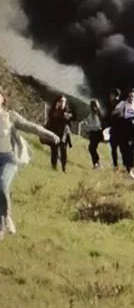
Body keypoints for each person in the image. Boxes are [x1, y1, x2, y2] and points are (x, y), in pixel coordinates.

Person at [0, 87, 60, 239]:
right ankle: (1, 227)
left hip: (9, 158)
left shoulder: (10, 116)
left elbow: (31, 127)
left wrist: (49, 134)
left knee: (2, 185)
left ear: (2, 99)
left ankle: (7, 217)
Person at [113, 88, 134, 180]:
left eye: (133, 96)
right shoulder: (123, 104)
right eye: (129, 96)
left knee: (131, 150)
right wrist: (119, 113)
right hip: (123, 127)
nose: (131, 98)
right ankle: (127, 168)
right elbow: (114, 111)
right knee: (123, 149)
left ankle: (130, 170)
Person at [45, 95, 76, 172]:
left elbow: (74, 117)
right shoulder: (54, 110)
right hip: (54, 132)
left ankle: (63, 168)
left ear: (65, 103)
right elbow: (50, 117)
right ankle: (54, 167)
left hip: (64, 134)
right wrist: (58, 114)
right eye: (61, 101)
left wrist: (70, 116)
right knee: (54, 150)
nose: (62, 103)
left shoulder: (67, 111)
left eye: (63, 101)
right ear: (58, 101)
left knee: (63, 151)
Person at [103, 88, 123, 171]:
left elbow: (112, 116)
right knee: (114, 148)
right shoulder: (111, 104)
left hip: (118, 128)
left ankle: (117, 165)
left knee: (117, 148)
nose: (110, 96)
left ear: (116, 96)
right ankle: (116, 165)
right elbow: (108, 117)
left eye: (111, 95)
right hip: (114, 129)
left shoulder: (120, 105)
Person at [81, 99, 104, 169]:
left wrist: (88, 127)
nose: (94, 108)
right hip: (92, 133)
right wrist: (84, 122)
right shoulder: (91, 114)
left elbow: (97, 126)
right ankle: (96, 163)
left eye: (95, 106)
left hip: (97, 133)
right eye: (92, 106)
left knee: (92, 148)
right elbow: (87, 120)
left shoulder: (99, 115)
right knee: (92, 148)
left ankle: (97, 163)